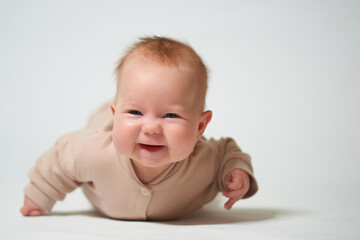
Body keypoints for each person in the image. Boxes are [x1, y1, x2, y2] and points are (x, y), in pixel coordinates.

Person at [20, 36, 258, 220]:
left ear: (200, 127)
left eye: (171, 115)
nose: (152, 128)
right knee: (103, 122)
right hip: (101, 123)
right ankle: (110, 113)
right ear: (117, 116)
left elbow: (228, 150)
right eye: (136, 112)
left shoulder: (206, 160)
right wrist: (39, 195)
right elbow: (62, 158)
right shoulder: (93, 152)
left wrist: (235, 171)